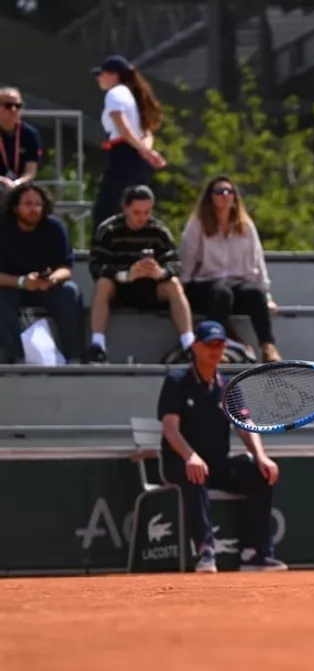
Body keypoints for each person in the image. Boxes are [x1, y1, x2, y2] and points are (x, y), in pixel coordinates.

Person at [157, 320, 286, 573]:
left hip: (218, 463)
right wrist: (190, 456)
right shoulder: (176, 381)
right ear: (195, 347)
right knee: (195, 474)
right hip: (181, 462)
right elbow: (170, 429)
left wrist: (261, 457)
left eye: (219, 344)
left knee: (260, 476)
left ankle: (254, 553)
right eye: (209, 345)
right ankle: (205, 550)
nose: (215, 350)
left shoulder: (228, 386)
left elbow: (245, 424)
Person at [85, 185, 193, 363]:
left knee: (173, 284)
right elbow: (96, 265)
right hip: (120, 287)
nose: (142, 218)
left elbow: (175, 263)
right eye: (136, 212)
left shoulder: (159, 231)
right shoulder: (108, 230)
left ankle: (189, 344)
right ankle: (97, 346)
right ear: (125, 208)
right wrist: (125, 275)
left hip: (151, 288)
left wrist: (160, 272)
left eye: (146, 212)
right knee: (103, 284)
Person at [180, 176, 281, 362]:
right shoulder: (198, 224)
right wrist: (182, 291)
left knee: (255, 293)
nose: (224, 196)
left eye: (229, 191)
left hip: (237, 284)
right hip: (205, 285)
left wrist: (267, 296)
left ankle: (267, 346)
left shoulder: (245, 226)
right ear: (210, 197)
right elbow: (187, 258)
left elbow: (257, 260)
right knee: (222, 291)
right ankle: (216, 344)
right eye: (219, 192)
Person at [0, 182, 85, 363]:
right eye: (28, 204)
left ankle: (75, 357)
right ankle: (15, 358)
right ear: (15, 207)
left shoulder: (54, 227)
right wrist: (23, 282)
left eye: (38, 204)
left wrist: (52, 279)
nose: (34, 209)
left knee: (70, 292)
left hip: (45, 286)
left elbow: (65, 268)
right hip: (11, 286)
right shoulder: (3, 228)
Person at [91, 54, 168, 229]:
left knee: (106, 211)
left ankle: (103, 251)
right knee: (135, 207)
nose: (99, 79)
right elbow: (146, 131)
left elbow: (122, 125)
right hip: (136, 157)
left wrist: (144, 151)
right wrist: (145, 151)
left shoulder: (115, 93)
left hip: (122, 154)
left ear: (113, 75)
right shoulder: (133, 96)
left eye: (101, 74)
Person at [0, 87, 41, 193]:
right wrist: (4, 181)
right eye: (8, 106)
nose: (14, 110)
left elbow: (30, 172)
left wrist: (16, 184)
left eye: (18, 106)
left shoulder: (29, 134)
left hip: (20, 186)